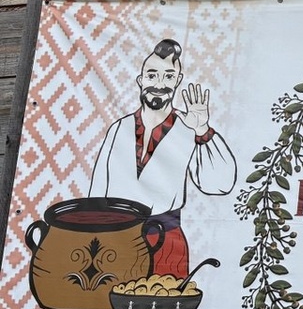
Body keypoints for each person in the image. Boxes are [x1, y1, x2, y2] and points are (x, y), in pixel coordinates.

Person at [89, 38, 237, 279]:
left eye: (168, 77)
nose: (159, 84)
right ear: (141, 80)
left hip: (165, 242)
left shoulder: (189, 127)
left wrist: (202, 130)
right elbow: (97, 192)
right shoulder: (118, 129)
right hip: (116, 240)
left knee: (164, 298)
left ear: (178, 81)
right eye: (152, 75)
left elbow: (220, 184)